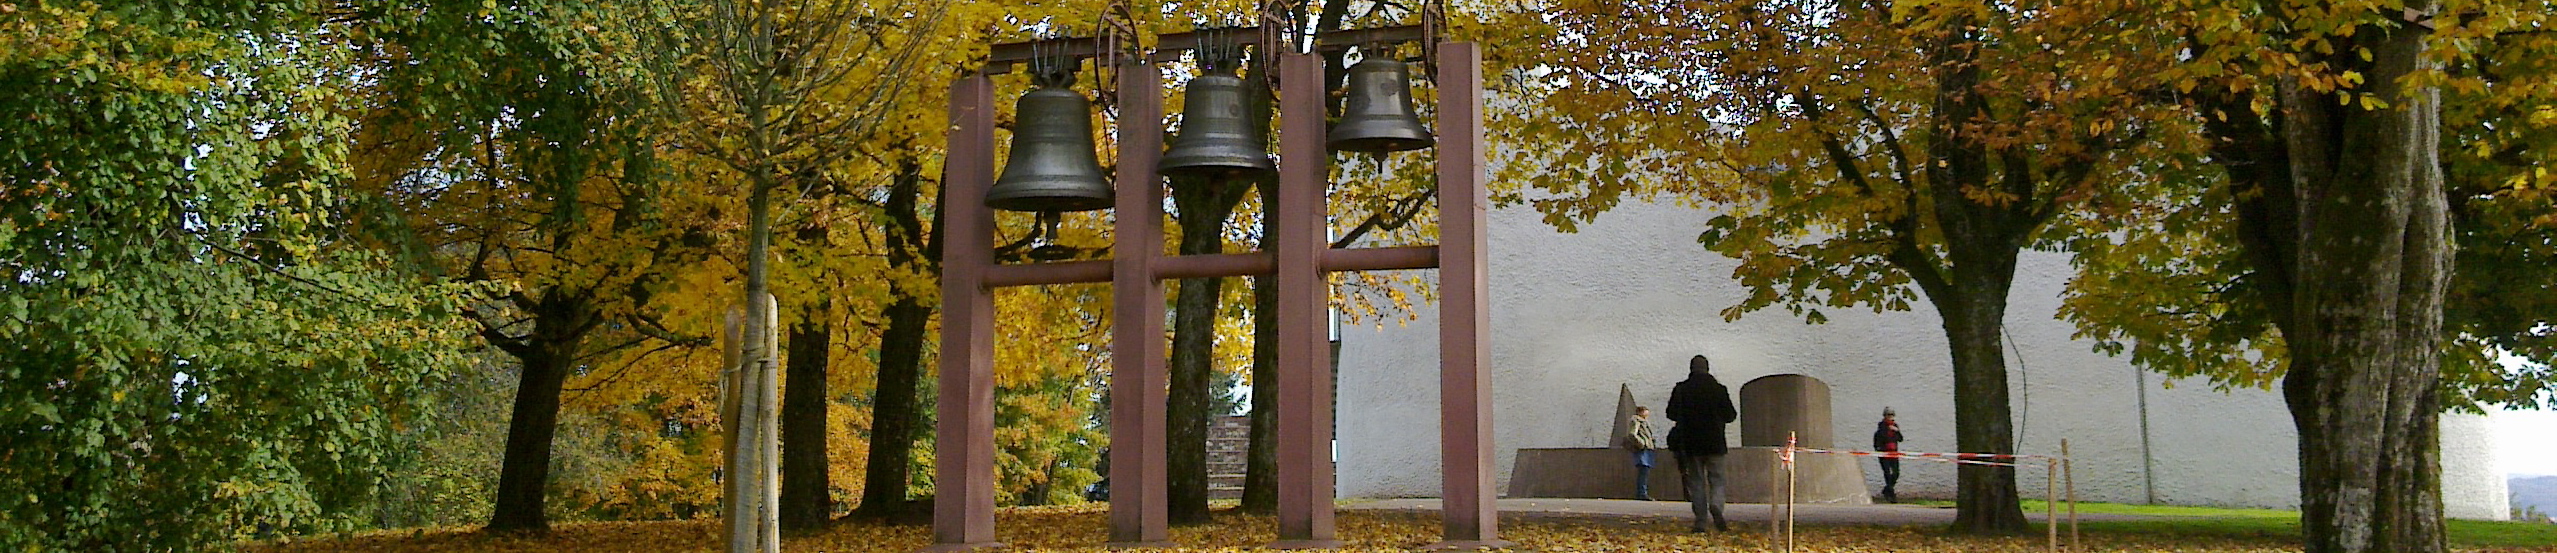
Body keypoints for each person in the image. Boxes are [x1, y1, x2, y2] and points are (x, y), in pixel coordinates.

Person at [1665, 355, 1738, 532]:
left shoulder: (1681, 389)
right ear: (1707, 368)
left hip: (1691, 445)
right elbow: (1731, 415)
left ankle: (1700, 521)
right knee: (1717, 480)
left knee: (1696, 482)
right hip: (1715, 444)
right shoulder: (1719, 389)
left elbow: (1671, 413)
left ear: (1691, 368)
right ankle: (1716, 505)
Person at [1621, 406, 1663, 500]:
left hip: (1647, 449)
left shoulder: (1644, 421)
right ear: (1641, 412)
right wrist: (1642, 443)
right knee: (1643, 471)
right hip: (1643, 450)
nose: (1648, 414)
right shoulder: (1636, 421)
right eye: (1646, 412)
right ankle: (1642, 493)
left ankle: (1642, 492)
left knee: (1645, 471)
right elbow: (1632, 434)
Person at [1874, 408, 1904, 503]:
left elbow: (1900, 439)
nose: (1890, 417)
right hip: (1884, 453)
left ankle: (1887, 490)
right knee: (1887, 473)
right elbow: (1879, 439)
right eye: (1888, 415)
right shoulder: (1882, 427)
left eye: (1892, 415)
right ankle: (1891, 495)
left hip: (1894, 453)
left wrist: (1897, 431)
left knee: (1896, 473)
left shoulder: (1895, 426)